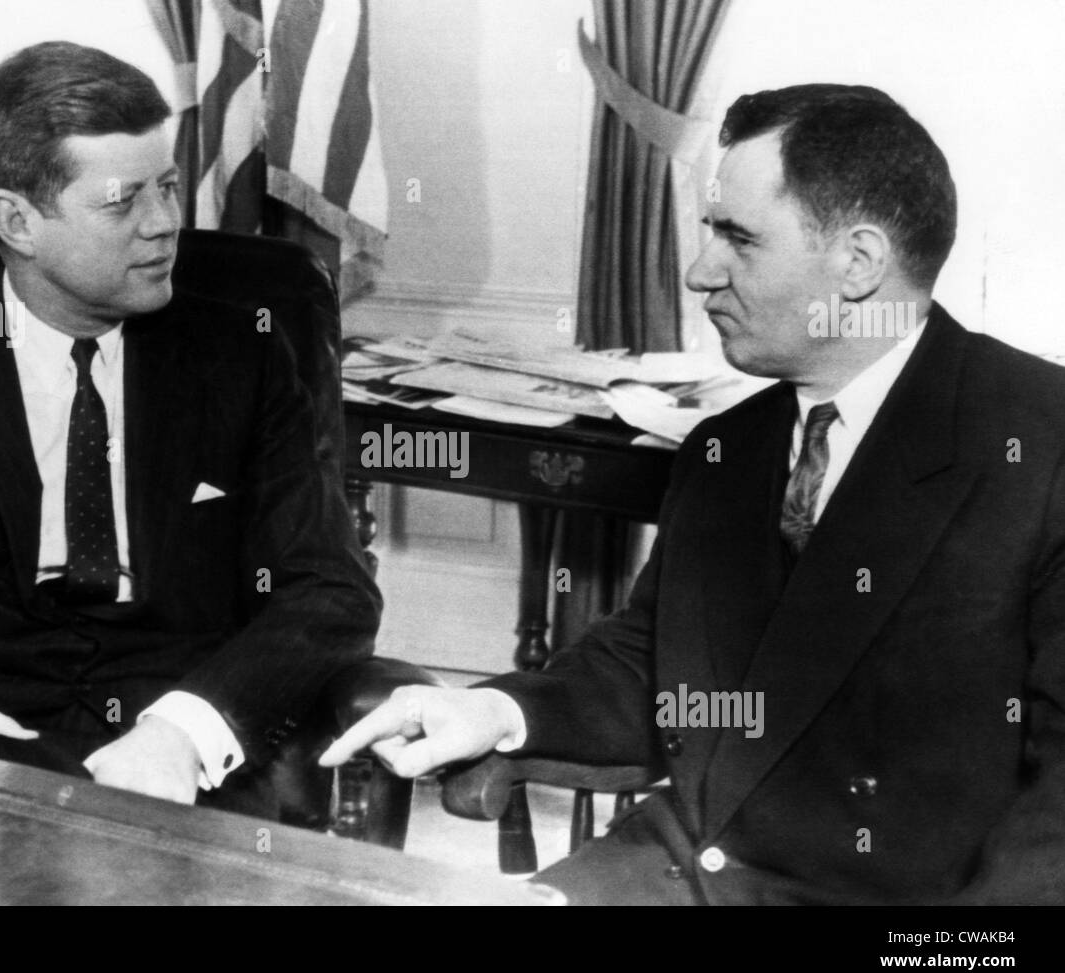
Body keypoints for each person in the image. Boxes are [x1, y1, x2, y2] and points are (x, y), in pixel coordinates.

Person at [323, 83, 1065, 905]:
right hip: (667, 870)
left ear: (857, 264)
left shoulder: (1042, 446)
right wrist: (497, 711)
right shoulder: (727, 446)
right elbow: (653, 661)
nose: (698, 272)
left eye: (738, 239)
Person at [0, 41, 380, 809]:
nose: (165, 225)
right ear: (18, 221)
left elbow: (327, 588)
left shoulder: (244, 350)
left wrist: (186, 732)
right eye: (123, 202)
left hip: (178, 756)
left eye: (170, 187)